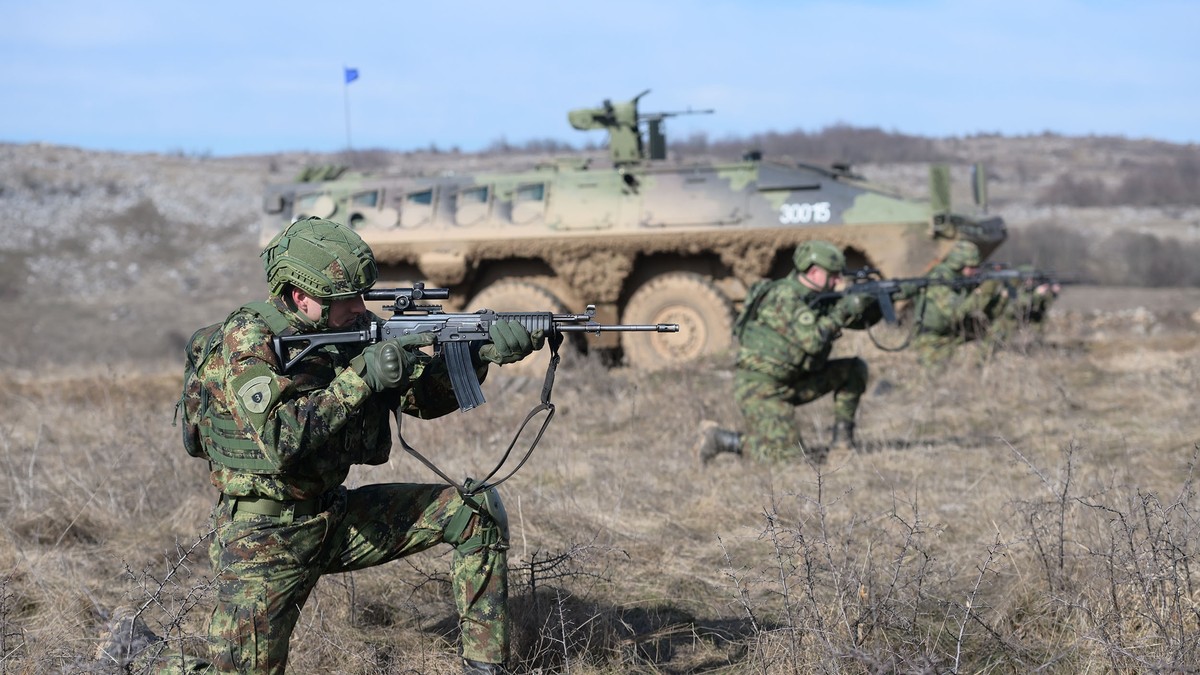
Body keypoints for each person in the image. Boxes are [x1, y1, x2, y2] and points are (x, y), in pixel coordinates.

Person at [198, 217, 538, 674]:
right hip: (264, 538)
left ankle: (486, 666)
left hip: (333, 518)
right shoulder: (245, 340)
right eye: (347, 299)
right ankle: (133, 654)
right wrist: (362, 378)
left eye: (362, 295)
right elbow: (279, 438)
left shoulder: (354, 327)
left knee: (474, 511)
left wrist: (478, 356)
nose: (361, 307)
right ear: (303, 296)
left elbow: (421, 398)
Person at [694, 240, 880, 464]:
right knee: (789, 459)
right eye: (833, 275)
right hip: (762, 388)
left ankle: (842, 444)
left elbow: (853, 321)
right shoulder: (784, 296)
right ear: (813, 272)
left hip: (795, 381)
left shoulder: (817, 297)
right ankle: (720, 439)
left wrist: (874, 301)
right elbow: (813, 340)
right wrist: (844, 309)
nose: (838, 281)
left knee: (853, 370)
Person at [910, 240, 1008, 366]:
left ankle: (979, 365)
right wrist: (983, 292)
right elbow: (955, 313)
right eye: (971, 267)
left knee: (995, 327)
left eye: (976, 267)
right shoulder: (939, 279)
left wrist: (1001, 298)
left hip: (951, 332)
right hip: (931, 338)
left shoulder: (961, 279)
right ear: (958, 264)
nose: (974, 271)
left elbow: (986, 312)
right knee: (935, 374)